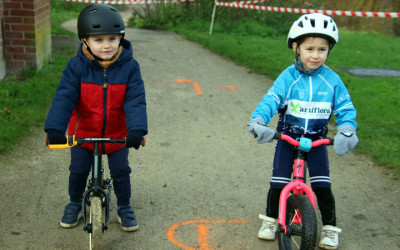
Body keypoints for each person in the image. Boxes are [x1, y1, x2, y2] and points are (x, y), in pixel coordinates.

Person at [247, 13, 358, 250]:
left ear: (329, 50)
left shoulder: (332, 81)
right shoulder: (288, 77)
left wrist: (347, 129)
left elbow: (345, 108)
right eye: (309, 48)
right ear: (296, 47)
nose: (316, 55)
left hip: (316, 141)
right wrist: (259, 120)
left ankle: (329, 227)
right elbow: (272, 99)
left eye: (322, 49)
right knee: (278, 182)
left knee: (322, 184)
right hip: (288, 138)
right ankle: (270, 220)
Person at [44, 4, 147, 232]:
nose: (107, 45)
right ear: (85, 41)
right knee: (78, 170)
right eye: (98, 40)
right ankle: (74, 203)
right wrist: (54, 128)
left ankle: (124, 207)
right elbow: (64, 98)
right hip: (83, 134)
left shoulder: (130, 68)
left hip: (117, 134)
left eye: (112, 38)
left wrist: (137, 129)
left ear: (121, 38)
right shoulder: (76, 67)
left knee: (121, 171)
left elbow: (135, 100)